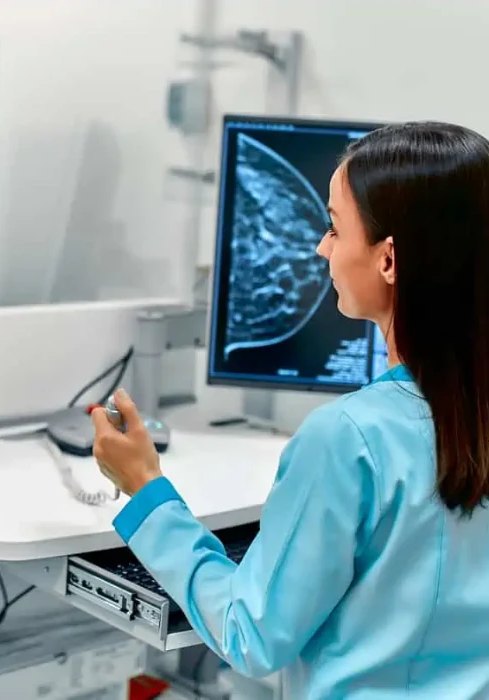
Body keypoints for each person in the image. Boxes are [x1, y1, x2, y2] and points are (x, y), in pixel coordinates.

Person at [92, 121, 489, 698]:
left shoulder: (351, 438)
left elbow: (250, 635)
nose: (321, 247)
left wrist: (145, 486)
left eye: (333, 227)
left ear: (388, 260)